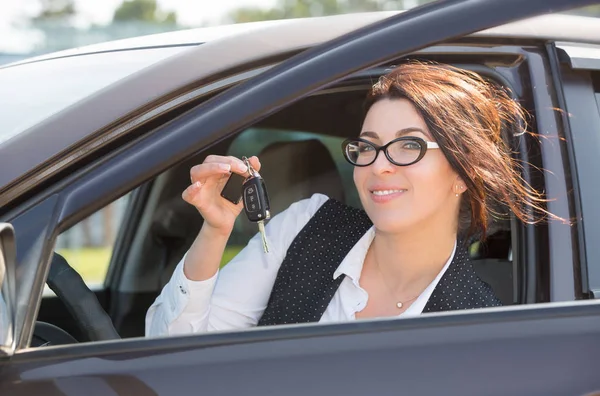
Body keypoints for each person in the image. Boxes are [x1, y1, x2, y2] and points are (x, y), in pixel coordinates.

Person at [145, 61, 558, 337]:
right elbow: (170, 355)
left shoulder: (476, 325)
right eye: (368, 146)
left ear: (462, 174)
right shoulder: (306, 225)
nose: (378, 166)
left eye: (408, 147)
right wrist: (215, 232)